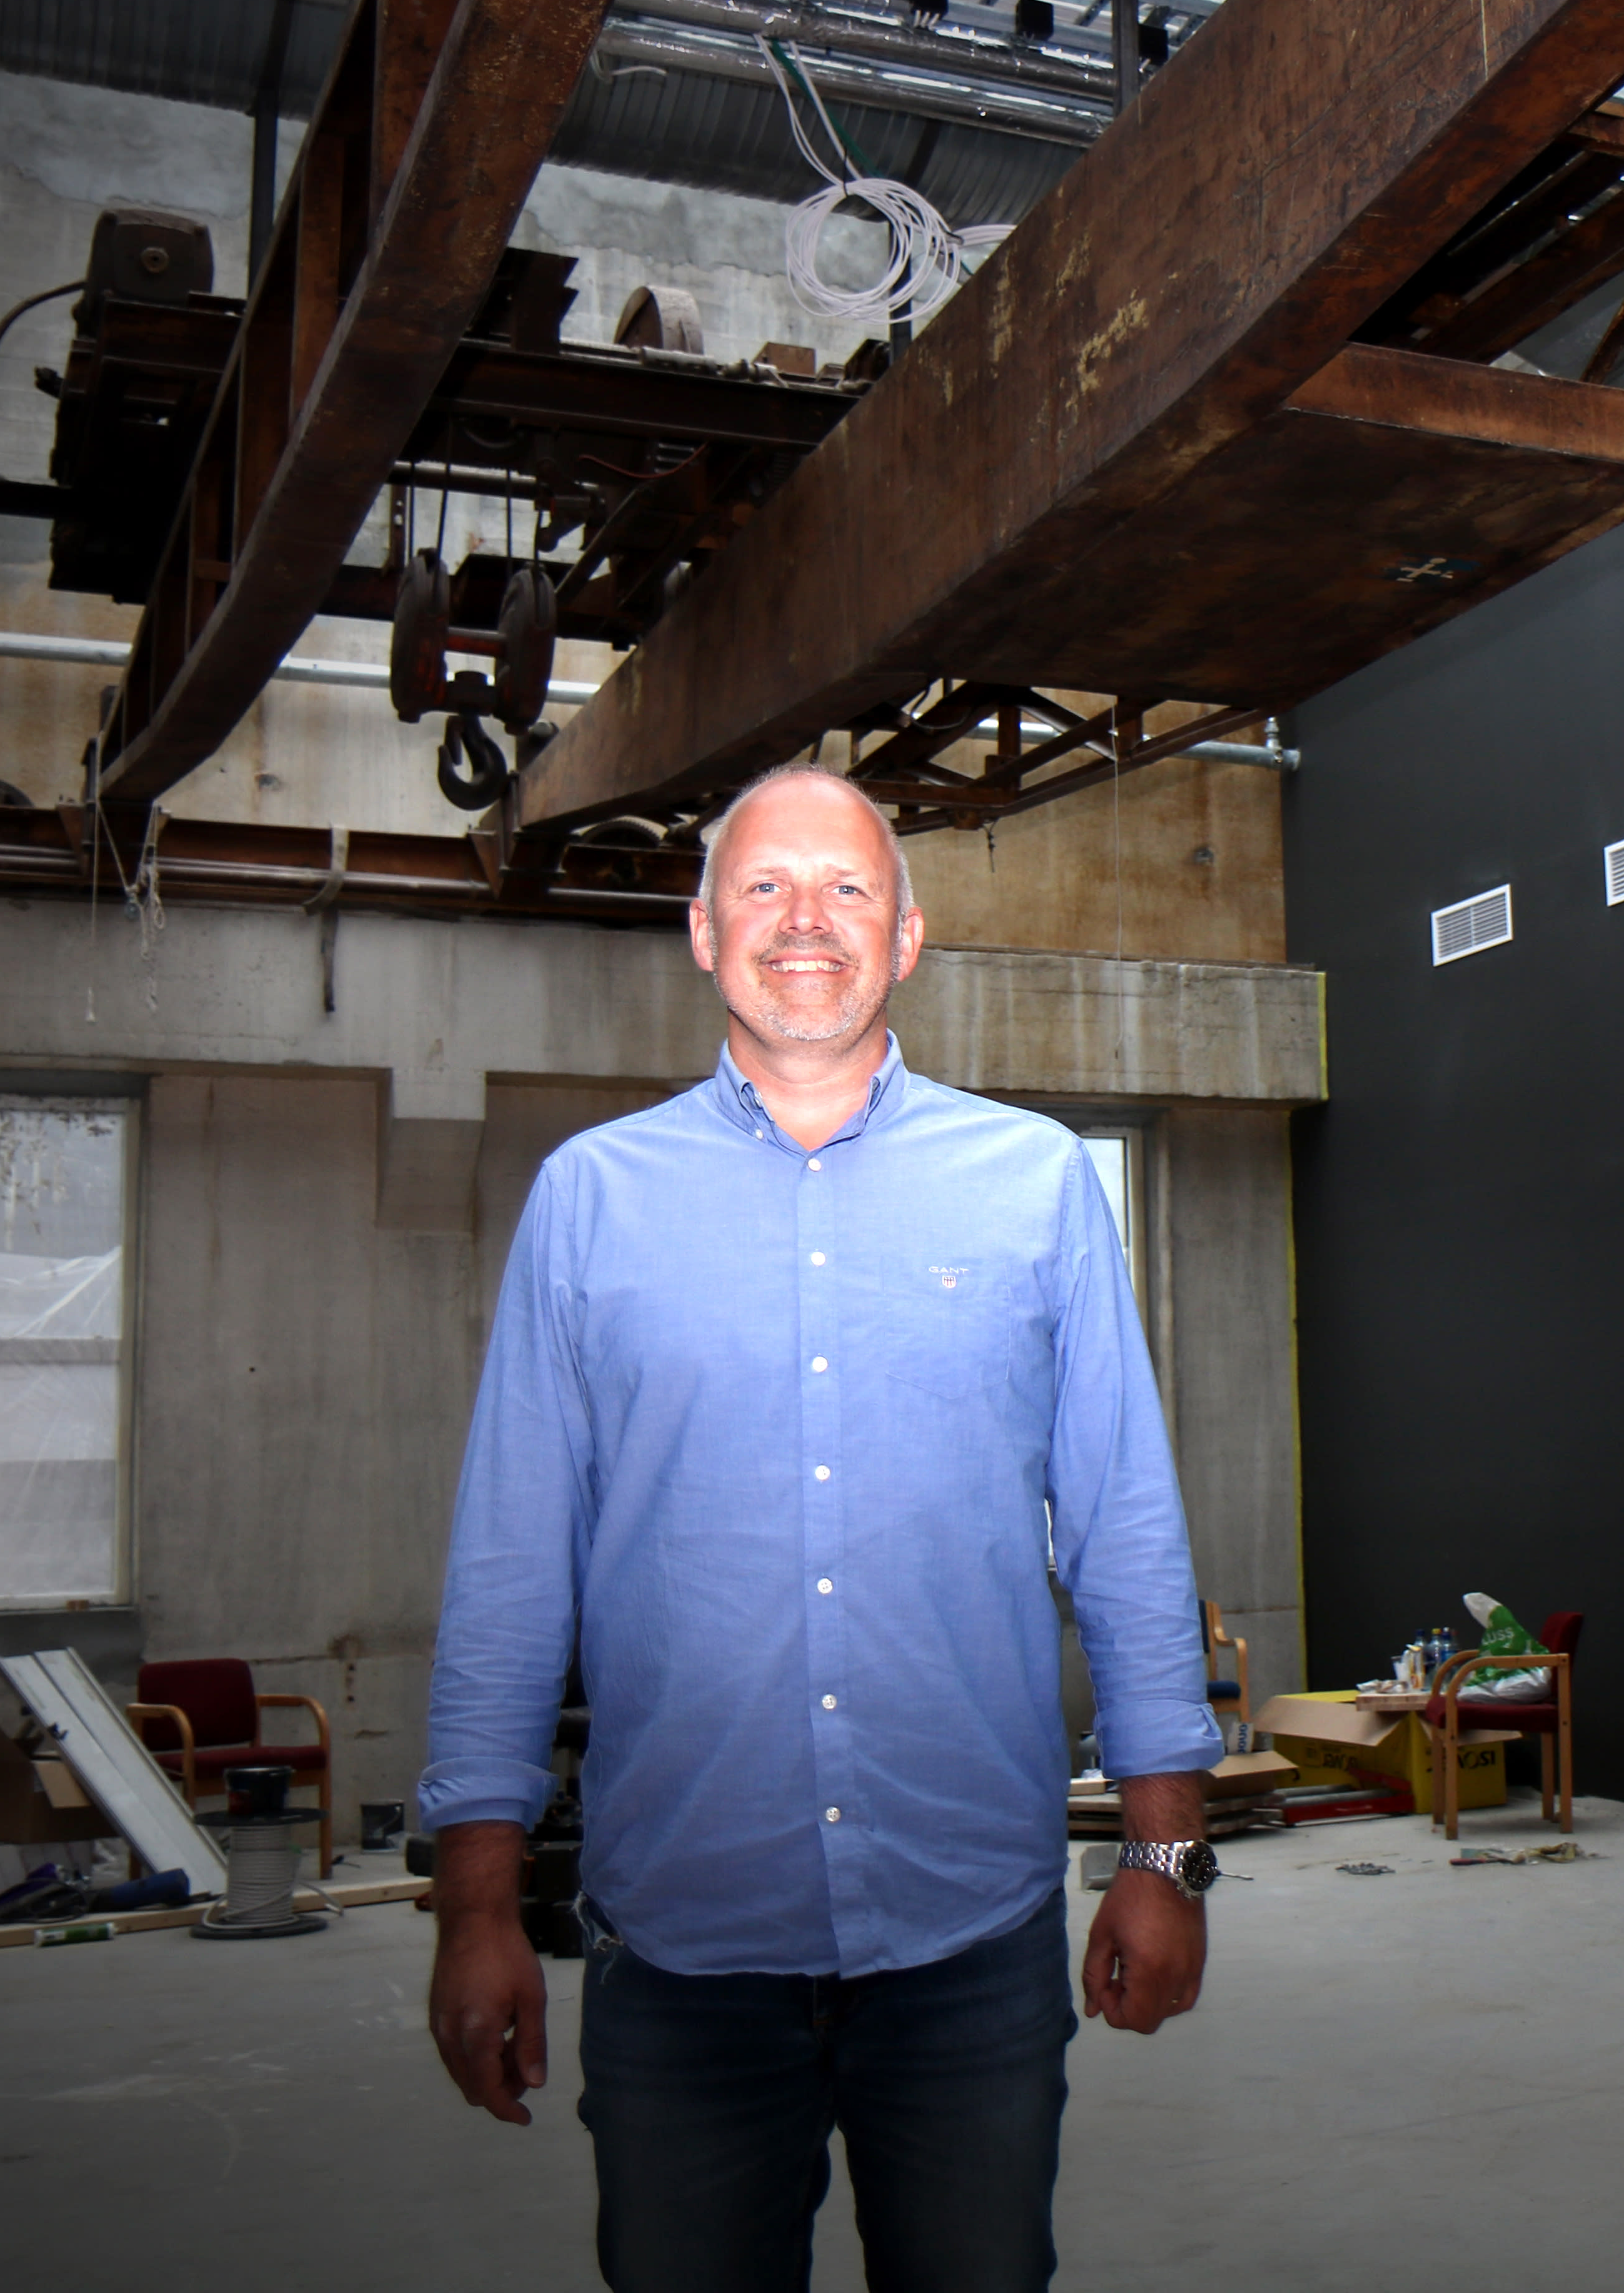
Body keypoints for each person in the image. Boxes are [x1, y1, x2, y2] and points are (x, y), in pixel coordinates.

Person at [418, 763, 1228, 2292]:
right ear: (703, 930)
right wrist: (475, 1903)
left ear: (905, 936)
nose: (807, 918)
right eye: (766, 885)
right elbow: (512, 1566)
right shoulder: (590, 1201)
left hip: (971, 1939)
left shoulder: (1038, 1185)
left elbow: (1124, 1526)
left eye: (849, 885)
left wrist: (1166, 1854)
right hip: (683, 1947)